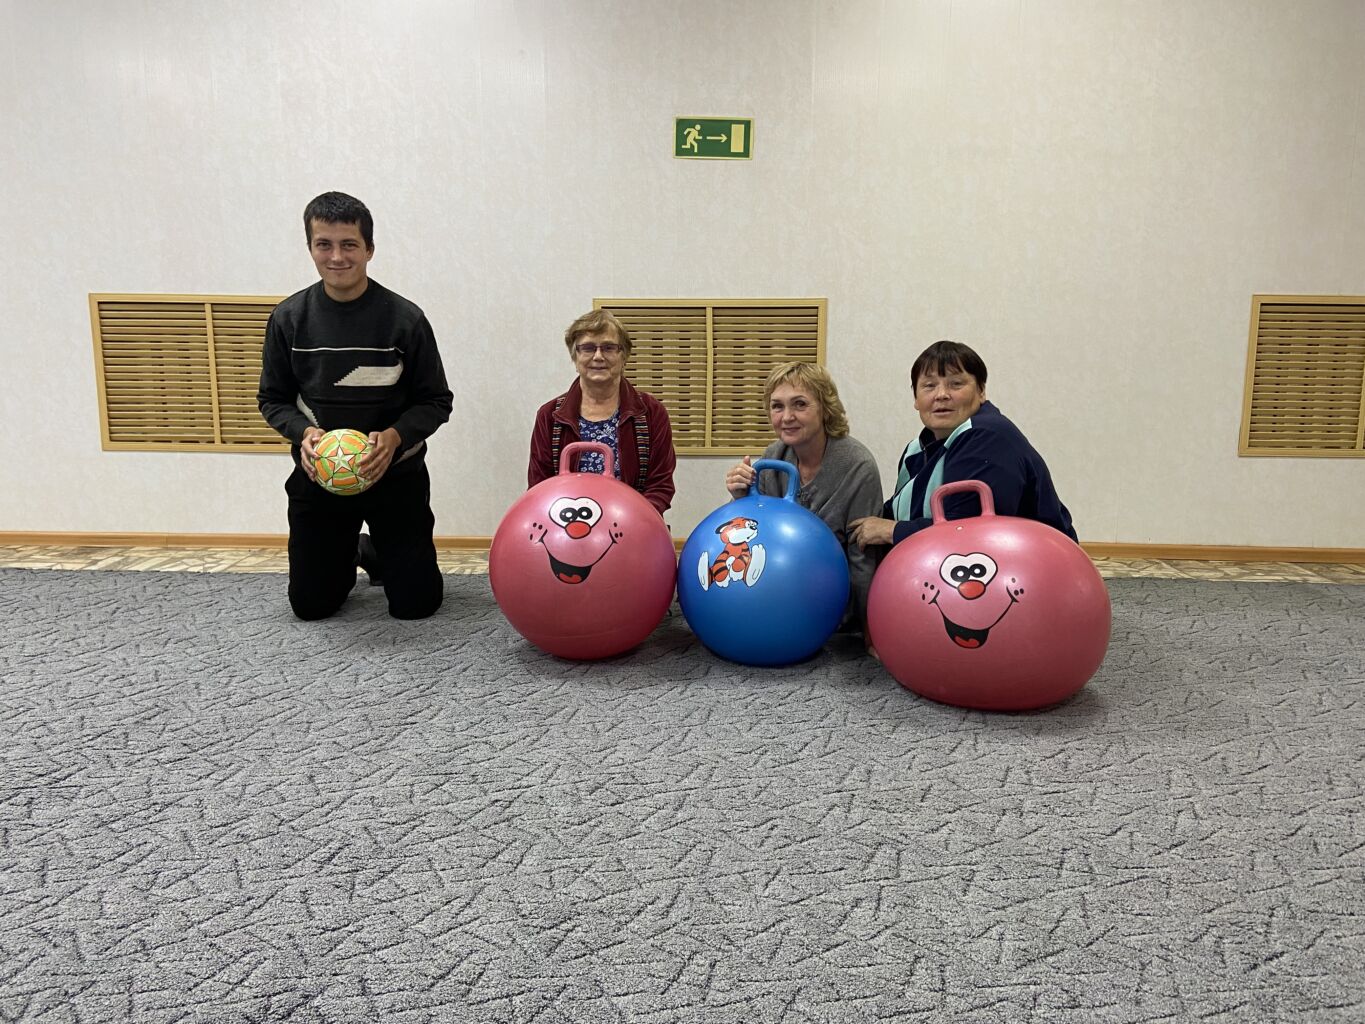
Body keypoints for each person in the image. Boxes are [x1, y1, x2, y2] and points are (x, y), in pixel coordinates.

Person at [257, 191, 453, 620]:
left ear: (369, 249)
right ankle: (349, 550)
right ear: (310, 247)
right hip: (319, 479)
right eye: (323, 244)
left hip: (395, 476)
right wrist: (303, 434)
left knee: (416, 606)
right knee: (312, 607)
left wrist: (396, 437)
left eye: (349, 244)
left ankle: (377, 548)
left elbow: (437, 401)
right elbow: (272, 399)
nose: (336, 257)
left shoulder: (405, 319)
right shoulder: (288, 319)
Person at [850, 340, 1076, 551]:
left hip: (1031, 565)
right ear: (916, 399)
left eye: (956, 384)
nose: (941, 395)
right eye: (929, 386)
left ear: (981, 392)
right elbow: (899, 513)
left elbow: (969, 531)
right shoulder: (917, 449)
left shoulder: (987, 436)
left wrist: (893, 531)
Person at [724, 362, 883, 631]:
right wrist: (741, 499)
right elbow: (751, 535)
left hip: (831, 598)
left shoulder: (858, 466)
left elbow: (863, 556)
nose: (787, 417)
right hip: (777, 586)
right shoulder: (773, 456)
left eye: (800, 404)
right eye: (777, 406)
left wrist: (869, 628)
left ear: (825, 408)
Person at [528, 310, 676, 514]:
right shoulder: (549, 416)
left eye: (608, 348)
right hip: (565, 524)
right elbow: (539, 488)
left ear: (624, 356)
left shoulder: (651, 412)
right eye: (588, 348)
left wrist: (633, 520)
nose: (598, 356)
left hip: (633, 523)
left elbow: (660, 486)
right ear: (575, 356)